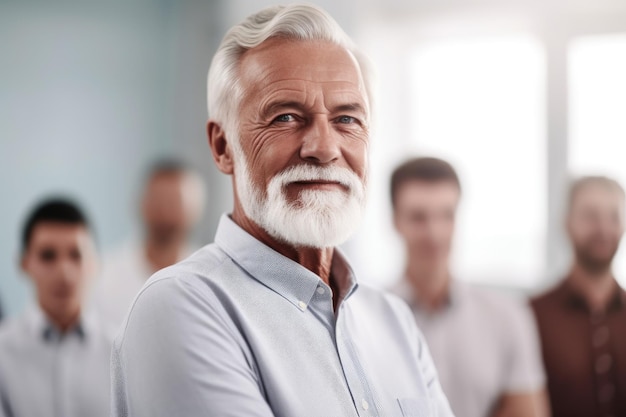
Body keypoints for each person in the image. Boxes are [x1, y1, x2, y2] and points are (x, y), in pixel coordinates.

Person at [111, 5, 454, 417]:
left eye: (347, 119)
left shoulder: (394, 320)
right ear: (223, 147)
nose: (324, 148)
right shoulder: (179, 306)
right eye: (286, 117)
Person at [389, 157, 549, 417]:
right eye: (419, 217)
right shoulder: (365, 320)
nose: (434, 232)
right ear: (395, 221)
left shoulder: (507, 316)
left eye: (446, 215)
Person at [0, 198, 113, 417]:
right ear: (23, 264)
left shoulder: (121, 351)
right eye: (48, 256)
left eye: (76, 255)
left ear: (95, 263)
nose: (64, 272)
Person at [531, 176, 626, 416]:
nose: (603, 228)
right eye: (591, 216)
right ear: (567, 223)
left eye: (613, 217)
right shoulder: (532, 316)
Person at [92, 158, 205, 327]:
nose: (165, 213)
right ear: (140, 204)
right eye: (157, 201)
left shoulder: (207, 277)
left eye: (175, 203)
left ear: (196, 210)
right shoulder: (102, 276)